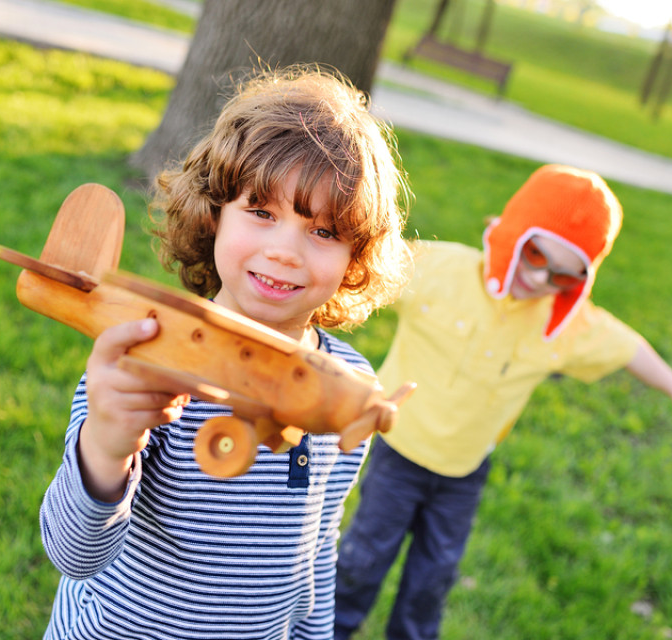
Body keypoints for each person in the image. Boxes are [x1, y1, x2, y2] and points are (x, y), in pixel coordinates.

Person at [39, 65, 412, 640]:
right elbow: (73, 554)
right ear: (213, 215)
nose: (285, 251)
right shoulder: (146, 358)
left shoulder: (348, 382)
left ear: (355, 258)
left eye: (324, 231)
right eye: (261, 213)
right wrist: (108, 445)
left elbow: (316, 546)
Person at [333, 164, 672, 640]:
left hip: (464, 473)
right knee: (363, 560)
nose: (541, 278)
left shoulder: (561, 327)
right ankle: (334, 629)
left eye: (563, 276)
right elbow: (363, 267)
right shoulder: (437, 269)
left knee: (432, 579)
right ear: (511, 233)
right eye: (535, 254)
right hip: (399, 451)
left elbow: (625, 345)